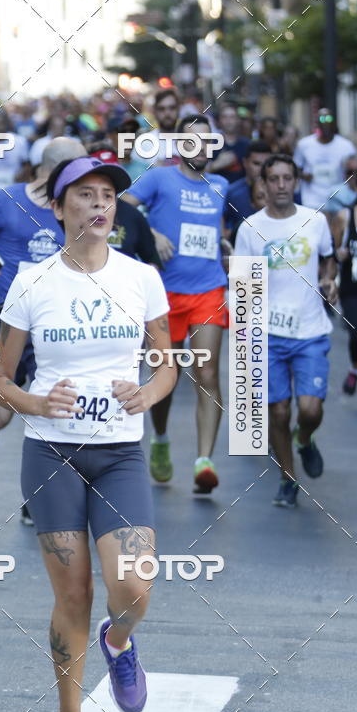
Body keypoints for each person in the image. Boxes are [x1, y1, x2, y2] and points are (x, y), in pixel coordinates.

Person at [0, 155, 176, 712]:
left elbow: (167, 362)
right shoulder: (31, 281)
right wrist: (36, 401)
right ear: (59, 207)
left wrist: (147, 392)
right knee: (74, 592)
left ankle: (118, 643)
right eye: (86, 195)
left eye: (108, 197)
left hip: (120, 449)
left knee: (134, 587)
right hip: (51, 452)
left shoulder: (141, 276)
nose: (100, 205)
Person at [0, 137, 86, 474]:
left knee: (56, 404)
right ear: (58, 170)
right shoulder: (5, 200)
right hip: (2, 319)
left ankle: (43, 489)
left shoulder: (74, 210)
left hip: (53, 322)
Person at [123, 115, 229, 492]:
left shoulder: (221, 185)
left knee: (208, 374)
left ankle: (204, 462)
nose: (199, 148)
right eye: (191, 142)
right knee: (166, 377)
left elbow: (215, 230)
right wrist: (151, 235)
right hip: (163, 295)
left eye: (206, 142)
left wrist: (224, 245)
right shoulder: (158, 177)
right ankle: (162, 438)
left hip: (209, 291)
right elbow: (122, 208)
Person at [234, 154, 337, 509]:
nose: (280, 185)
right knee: (277, 412)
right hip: (268, 335)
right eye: (273, 179)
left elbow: (328, 257)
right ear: (262, 185)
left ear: (296, 182)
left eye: (286, 178)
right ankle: (288, 479)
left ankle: (304, 439)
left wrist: (328, 279)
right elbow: (242, 285)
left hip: (310, 330)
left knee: (309, 410)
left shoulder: (315, 221)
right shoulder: (250, 228)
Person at [86, 144, 162, 267]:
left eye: (111, 174)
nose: (106, 180)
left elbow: (152, 261)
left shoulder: (132, 215)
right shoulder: (75, 212)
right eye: (99, 174)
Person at [333, 165, 357, 395]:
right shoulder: (345, 216)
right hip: (352, 288)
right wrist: (339, 253)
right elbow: (333, 250)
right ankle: (355, 368)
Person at [294, 109, 356, 213]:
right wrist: (304, 175)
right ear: (316, 123)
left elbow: (355, 172)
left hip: (338, 200)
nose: (325, 122)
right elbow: (295, 169)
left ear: (334, 122)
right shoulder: (304, 144)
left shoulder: (346, 146)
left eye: (329, 118)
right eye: (322, 118)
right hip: (312, 201)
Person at [223, 140, 272, 237]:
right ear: (245, 163)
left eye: (266, 164)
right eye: (256, 163)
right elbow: (224, 229)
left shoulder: (279, 190)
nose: (262, 169)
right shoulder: (231, 193)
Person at [132, 88, 180, 167]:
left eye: (172, 108)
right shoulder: (144, 143)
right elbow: (136, 175)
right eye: (161, 109)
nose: (167, 113)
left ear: (178, 109)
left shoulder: (190, 142)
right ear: (154, 112)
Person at [210, 102, 250, 183]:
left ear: (238, 120)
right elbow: (199, 172)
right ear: (219, 121)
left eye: (232, 117)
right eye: (225, 117)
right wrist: (216, 165)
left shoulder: (247, 145)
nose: (228, 121)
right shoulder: (211, 144)